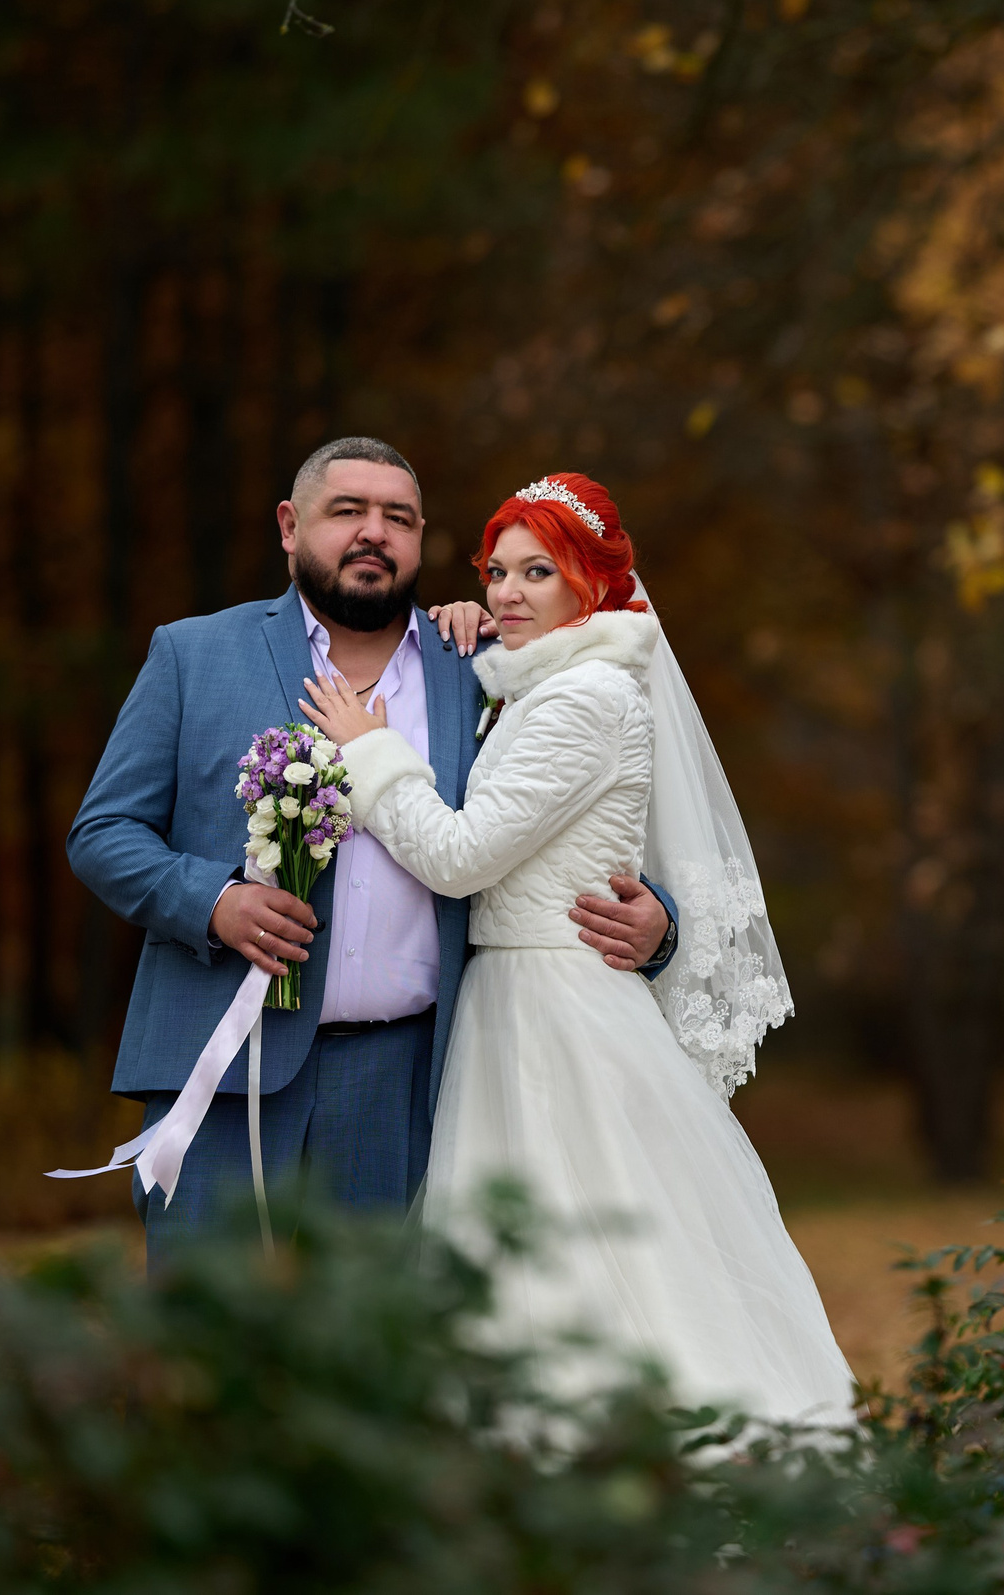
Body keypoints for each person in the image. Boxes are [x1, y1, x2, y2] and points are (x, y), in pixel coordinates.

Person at [298, 472, 855, 1429]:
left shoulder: (584, 699)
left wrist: (367, 749)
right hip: (513, 1000)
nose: (510, 592)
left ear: (590, 587)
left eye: (537, 573)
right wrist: (473, 624)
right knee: (535, 1266)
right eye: (496, 571)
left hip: (559, 1014)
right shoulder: (532, 687)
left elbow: (462, 855)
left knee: (597, 1256)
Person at [68, 438, 676, 1267]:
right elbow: (103, 833)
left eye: (397, 517)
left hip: (406, 1081)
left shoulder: (486, 671)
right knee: (197, 1367)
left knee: (374, 1377)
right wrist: (212, 902)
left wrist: (658, 922)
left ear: (421, 537)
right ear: (290, 526)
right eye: (346, 510)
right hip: (225, 1066)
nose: (373, 532)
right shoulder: (195, 655)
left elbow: (584, 815)